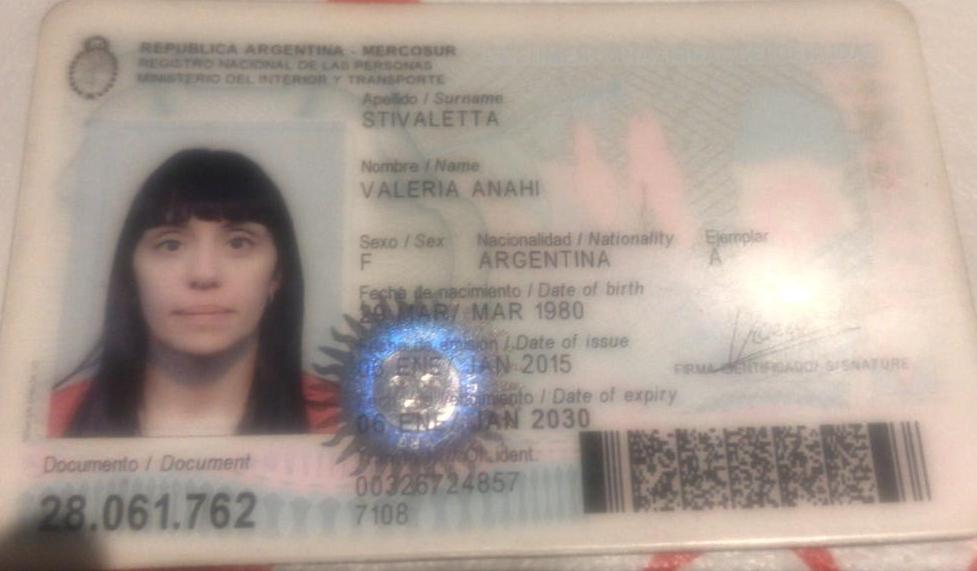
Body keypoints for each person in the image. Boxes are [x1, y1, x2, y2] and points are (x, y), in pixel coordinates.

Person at [48, 148, 339, 437]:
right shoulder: (48, 423)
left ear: (277, 274)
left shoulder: (345, 425)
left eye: (238, 243)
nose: (204, 274)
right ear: (131, 274)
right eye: (171, 245)